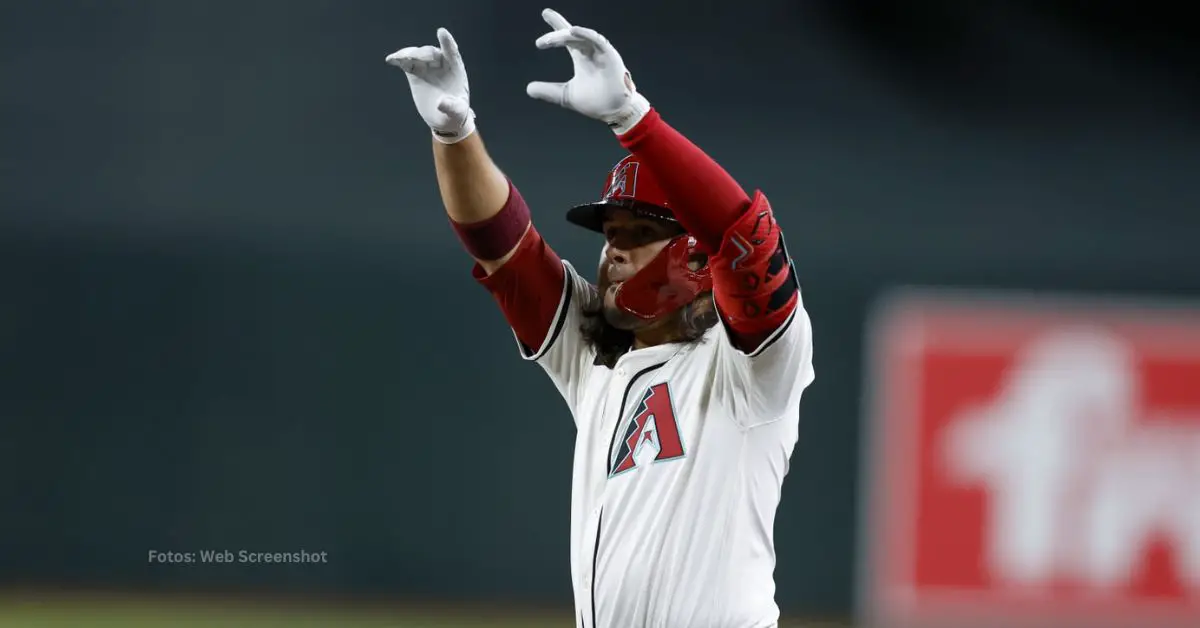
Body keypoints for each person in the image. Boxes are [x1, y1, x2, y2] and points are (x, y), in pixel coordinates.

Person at [387, 9, 815, 628]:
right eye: (611, 232)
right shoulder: (593, 356)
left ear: (694, 255)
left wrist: (634, 120)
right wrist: (456, 136)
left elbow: (744, 237)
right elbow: (504, 247)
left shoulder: (752, 368)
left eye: (639, 232)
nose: (614, 249)